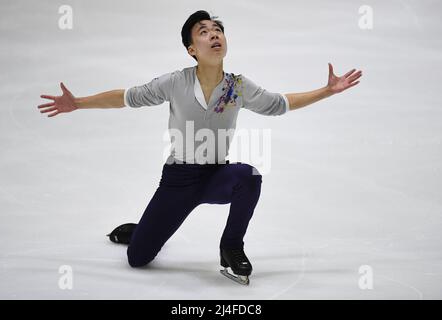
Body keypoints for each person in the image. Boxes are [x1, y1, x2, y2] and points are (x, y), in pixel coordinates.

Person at [37, 10, 362, 285]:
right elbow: (126, 97)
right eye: (204, 32)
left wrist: (327, 91)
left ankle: (231, 247)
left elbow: (279, 104)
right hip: (178, 180)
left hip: (216, 175)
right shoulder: (175, 82)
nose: (213, 35)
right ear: (192, 49)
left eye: (217, 30)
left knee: (249, 176)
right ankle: (142, 231)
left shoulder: (238, 86)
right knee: (138, 259)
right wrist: (77, 103)